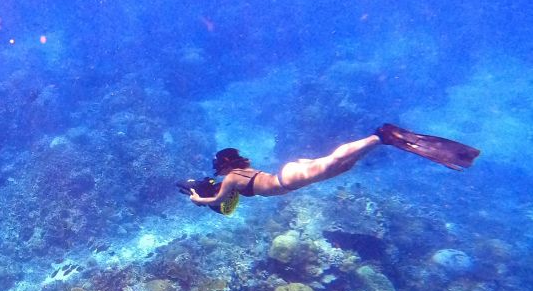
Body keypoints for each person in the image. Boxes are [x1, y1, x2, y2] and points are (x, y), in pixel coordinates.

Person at [187, 123, 479, 210]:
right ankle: (378, 140)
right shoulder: (239, 173)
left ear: (224, 166)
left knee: (335, 161)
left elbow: (218, 200)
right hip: (288, 173)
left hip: (288, 180)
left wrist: (198, 199)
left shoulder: (230, 180)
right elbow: (227, 199)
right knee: (343, 166)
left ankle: (381, 137)